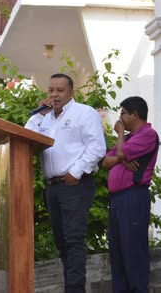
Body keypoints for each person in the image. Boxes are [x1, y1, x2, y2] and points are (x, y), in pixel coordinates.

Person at [25, 73, 107, 293]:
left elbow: (97, 147)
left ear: (71, 92)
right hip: (53, 188)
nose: (54, 95)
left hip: (75, 185)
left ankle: (74, 290)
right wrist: (39, 113)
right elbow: (26, 138)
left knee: (73, 240)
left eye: (60, 90)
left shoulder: (84, 113)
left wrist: (76, 172)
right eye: (51, 90)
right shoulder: (45, 118)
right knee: (61, 241)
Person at [101, 96, 159, 293]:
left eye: (123, 113)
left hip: (133, 196)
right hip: (117, 199)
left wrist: (119, 139)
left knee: (133, 249)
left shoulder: (148, 134)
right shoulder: (128, 138)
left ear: (134, 114)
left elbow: (121, 153)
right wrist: (122, 158)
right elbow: (105, 162)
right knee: (117, 251)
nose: (120, 118)